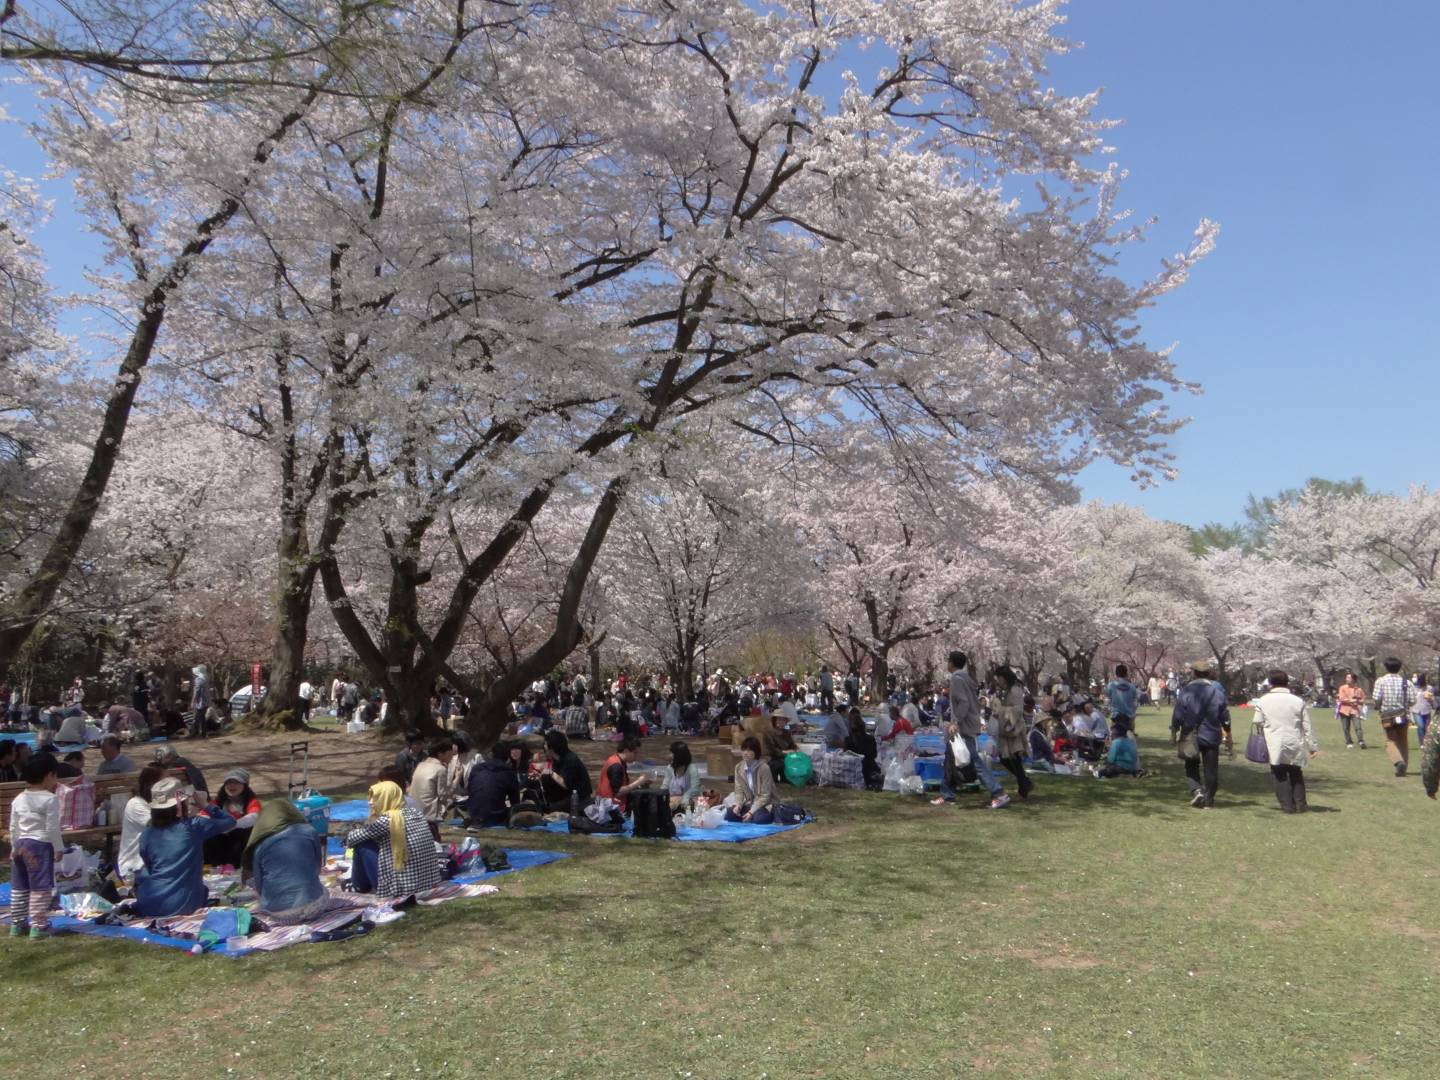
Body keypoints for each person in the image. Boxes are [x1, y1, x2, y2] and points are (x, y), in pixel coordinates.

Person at [134, 778, 237, 917]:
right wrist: (205, 805)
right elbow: (230, 821)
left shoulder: (147, 834)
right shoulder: (192, 826)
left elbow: (151, 867)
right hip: (181, 905)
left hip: (148, 902)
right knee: (203, 890)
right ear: (180, 805)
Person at [343, 780, 441, 898]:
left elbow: (352, 838)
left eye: (374, 798)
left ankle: (359, 886)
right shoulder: (416, 813)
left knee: (362, 844)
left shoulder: (388, 820)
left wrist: (361, 828)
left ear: (386, 798)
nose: (370, 802)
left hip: (401, 888)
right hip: (427, 883)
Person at [938, 650, 1009, 808]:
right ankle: (947, 794)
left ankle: (998, 792)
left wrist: (955, 722)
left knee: (974, 762)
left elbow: (963, 702)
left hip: (962, 727)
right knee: (949, 758)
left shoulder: (956, 679)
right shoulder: (967, 679)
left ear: (951, 663)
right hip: (968, 723)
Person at [8, 754, 65, 938]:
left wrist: (13, 847)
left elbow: (13, 826)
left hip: (20, 844)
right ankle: (38, 925)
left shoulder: (19, 798)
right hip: (39, 846)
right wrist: (58, 848)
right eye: (56, 776)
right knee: (40, 887)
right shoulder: (50, 799)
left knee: (19, 886)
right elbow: (52, 828)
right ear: (49, 775)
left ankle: (17, 924)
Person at [243, 800, 328, 921]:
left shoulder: (260, 845)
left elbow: (259, 884)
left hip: (276, 912)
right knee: (322, 890)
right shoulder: (309, 831)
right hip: (313, 906)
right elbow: (317, 866)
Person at [1251, 670, 1319, 813]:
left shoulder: (1264, 700)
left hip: (1275, 741)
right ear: (1287, 682)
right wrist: (1312, 746)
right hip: (1294, 740)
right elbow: (1307, 726)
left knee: (1279, 773)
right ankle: (1301, 804)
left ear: (1270, 683)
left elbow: (1257, 721)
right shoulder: (1297, 701)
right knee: (1295, 772)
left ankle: (1287, 806)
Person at [1170, 659, 1232, 808]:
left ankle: (1197, 790)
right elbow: (1224, 715)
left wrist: (1174, 730)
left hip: (1190, 733)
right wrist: (1227, 732)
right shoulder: (1217, 691)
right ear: (1208, 673)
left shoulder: (1187, 690)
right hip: (1211, 733)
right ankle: (1209, 800)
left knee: (1191, 764)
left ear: (1194, 673)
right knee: (1211, 768)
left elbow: (1178, 713)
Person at [117, 765, 167, 881]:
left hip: (153, 863)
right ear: (152, 784)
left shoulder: (157, 803)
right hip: (135, 867)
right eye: (165, 782)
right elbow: (161, 825)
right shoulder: (136, 804)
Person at [991, 667, 1034, 801]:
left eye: (999, 677)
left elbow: (1018, 710)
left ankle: (1023, 790)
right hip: (1007, 728)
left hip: (1014, 729)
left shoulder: (1015, 690)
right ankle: (1025, 783)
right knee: (1007, 759)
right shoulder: (1007, 691)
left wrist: (1002, 711)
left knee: (1015, 759)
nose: (998, 680)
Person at [204, 768, 261, 867]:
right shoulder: (217, 801)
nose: (232, 786)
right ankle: (213, 865)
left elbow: (253, 817)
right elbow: (203, 815)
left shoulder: (251, 801)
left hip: (239, 843)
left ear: (245, 786)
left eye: (236, 783)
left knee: (240, 833)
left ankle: (235, 867)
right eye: (228, 783)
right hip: (219, 840)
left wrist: (231, 825)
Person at [1372, 657, 1414, 778]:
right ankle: (1404, 767)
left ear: (1386, 667)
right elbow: (1413, 700)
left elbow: (1376, 698)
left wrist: (1379, 706)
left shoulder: (1381, 681)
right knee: (1403, 741)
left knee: (1390, 740)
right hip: (1402, 714)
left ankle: (1398, 762)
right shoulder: (1406, 682)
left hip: (1387, 715)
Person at [465, 741, 524, 827]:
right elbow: (515, 802)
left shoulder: (477, 768)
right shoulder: (508, 772)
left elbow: (470, 791)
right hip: (495, 816)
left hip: (473, 814)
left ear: (492, 754)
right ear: (508, 757)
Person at [409, 737, 457, 839]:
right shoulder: (440, 769)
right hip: (429, 815)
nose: (452, 756)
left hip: (413, 811)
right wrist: (457, 780)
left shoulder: (421, 764)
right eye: (450, 752)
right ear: (440, 753)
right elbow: (443, 795)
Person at [595, 734, 650, 815]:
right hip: (610, 807)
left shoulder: (618, 760)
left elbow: (621, 786)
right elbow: (618, 792)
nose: (636, 757)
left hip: (609, 802)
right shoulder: (616, 766)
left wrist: (640, 785)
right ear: (626, 750)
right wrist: (638, 782)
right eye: (635, 753)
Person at [538, 730, 592, 811]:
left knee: (546, 809)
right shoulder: (557, 758)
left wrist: (551, 773)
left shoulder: (571, 760)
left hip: (579, 797)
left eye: (545, 744)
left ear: (552, 747)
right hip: (567, 793)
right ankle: (550, 803)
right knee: (545, 778)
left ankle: (551, 807)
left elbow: (567, 785)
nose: (544, 746)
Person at [727, 736, 776, 824]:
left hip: (764, 803)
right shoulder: (739, 767)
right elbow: (739, 791)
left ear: (756, 752)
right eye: (744, 750)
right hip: (749, 802)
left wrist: (751, 812)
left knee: (760, 819)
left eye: (749, 750)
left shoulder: (764, 768)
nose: (745, 753)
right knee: (730, 815)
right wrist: (738, 805)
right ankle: (746, 815)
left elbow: (765, 795)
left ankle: (755, 815)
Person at [659, 741, 701, 812]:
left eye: (672, 753)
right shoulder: (670, 768)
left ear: (680, 756)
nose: (669, 756)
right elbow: (664, 786)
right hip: (672, 800)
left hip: (688, 800)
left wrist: (685, 797)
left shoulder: (691, 769)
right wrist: (659, 796)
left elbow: (695, 788)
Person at [844, 710, 882, 790]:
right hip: (868, 769)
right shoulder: (870, 739)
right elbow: (874, 755)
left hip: (853, 771)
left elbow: (846, 756)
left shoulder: (847, 740)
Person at [1104, 665, 1139, 737]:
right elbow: (1135, 702)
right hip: (1129, 716)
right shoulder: (1132, 687)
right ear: (1126, 673)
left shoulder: (1111, 685)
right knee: (1129, 737)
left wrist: (1106, 709)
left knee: (1115, 736)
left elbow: (1107, 699)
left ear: (1116, 674)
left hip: (1115, 716)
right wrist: (1133, 710)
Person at [1335, 672, 1367, 748]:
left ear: (1353, 679)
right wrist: (1351, 700)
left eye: (1349, 678)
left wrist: (1358, 701)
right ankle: (1349, 742)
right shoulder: (1342, 688)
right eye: (1346, 678)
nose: (1347, 679)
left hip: (1355, 710)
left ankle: (1361, 741)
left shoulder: (1359, 689)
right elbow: (1341, 699)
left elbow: (1363, 700)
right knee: (1346, 727)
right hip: (1344, 710)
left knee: (1358, 727)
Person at [1411, 673, 1433, 747]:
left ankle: (1427, 743)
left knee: (1427, 728)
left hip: (1427, 710)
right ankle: (1422, 743)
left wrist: (1430, 698)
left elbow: (1432, 700)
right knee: (1421, 726)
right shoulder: (1413, 688)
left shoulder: (1429, 688)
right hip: (1416, 710)